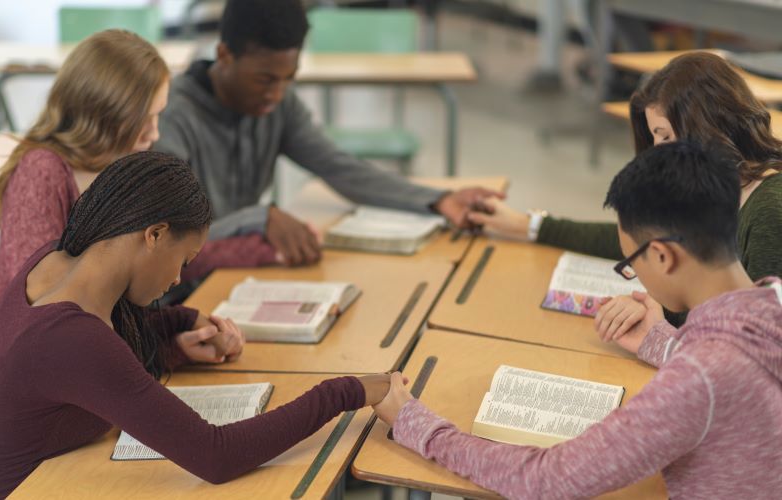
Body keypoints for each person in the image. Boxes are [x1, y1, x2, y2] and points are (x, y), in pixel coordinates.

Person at [373, 142, 782, 499]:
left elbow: (547, 480)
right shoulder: (772, 299)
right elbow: (741, 372)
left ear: (662, 256)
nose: (634, 275)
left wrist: (416, 423)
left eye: (630, 263)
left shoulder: (700, 377)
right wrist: (660, 342)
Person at [0, 151, 393, 499]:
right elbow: (216, 455)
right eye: (183, 261)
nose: (178, 279)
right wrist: (347, 391)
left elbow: (99, 351)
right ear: (155, 235)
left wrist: (179, 323)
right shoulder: (74, 341)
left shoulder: (51, 260)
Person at [153, 0, 503, 267]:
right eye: (265, 79)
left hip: (236, 270)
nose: (276, 94)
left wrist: (438, 200)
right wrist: (260, 218)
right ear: (224, 55)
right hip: (178, 284)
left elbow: (340, 167)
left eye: (289, 78)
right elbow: (168, 236)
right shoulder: (171, 117)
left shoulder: (278, 106)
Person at [468, 51, 782, 339]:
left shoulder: (768, 209)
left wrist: (661, 316)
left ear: (710, 126)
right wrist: (529, 226)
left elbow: (752, 341)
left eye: (666, 136)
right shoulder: (718, 189)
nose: (659, 151)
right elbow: (641, 239)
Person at [0, 29, 276, 309]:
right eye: (144, 119)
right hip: (54, 355)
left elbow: (156, 265)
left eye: (158, 116)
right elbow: (37, 305)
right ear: (103, 112)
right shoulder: (41, 173)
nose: (154, 134)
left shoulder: (119, 171)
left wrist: (177, 338)